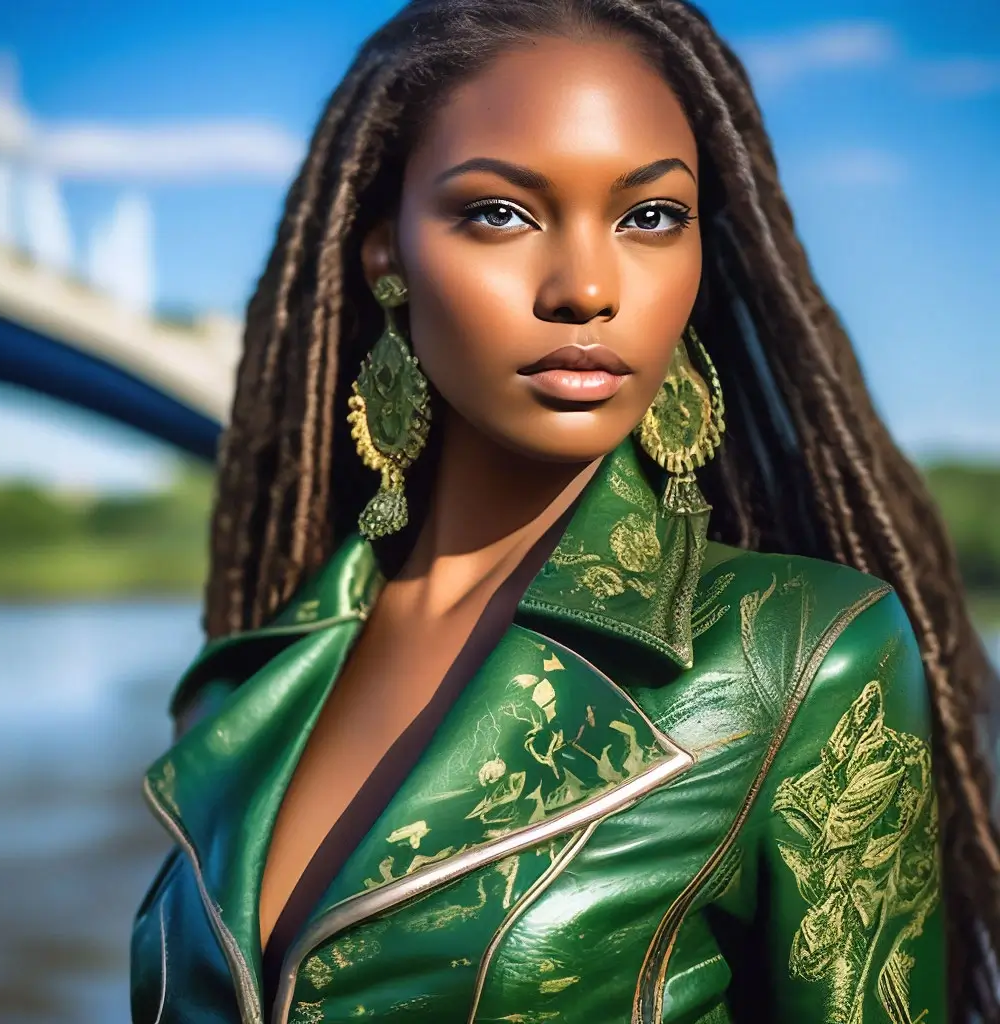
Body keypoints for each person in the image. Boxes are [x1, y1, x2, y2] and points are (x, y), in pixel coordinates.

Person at [130, 2, 1000, 1022]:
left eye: (650, 217)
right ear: (385, 256)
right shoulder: (245, 684)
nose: (586, 288)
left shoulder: (800, 653)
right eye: (501, 213)